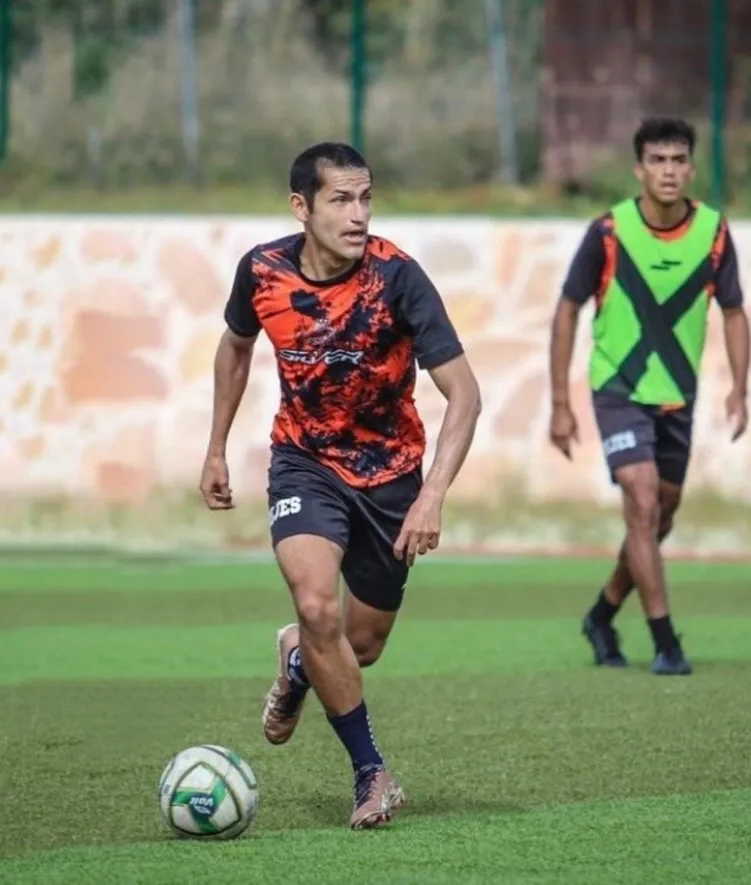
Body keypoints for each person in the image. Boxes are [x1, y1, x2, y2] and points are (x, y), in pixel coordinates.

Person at [199, 142, 481, 829]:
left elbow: (466, 395)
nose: (359, 215)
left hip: (391, 477)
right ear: (302, 207)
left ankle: (297, 662)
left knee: (362, 644)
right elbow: (235, 346)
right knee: (317, 604)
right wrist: (216, 447)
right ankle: (371, 772)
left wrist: (432, 494)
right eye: (341, 200)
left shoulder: (398, 278)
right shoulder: (261, 272)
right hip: (305, 462)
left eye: (366, 199)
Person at [548, 117, 751, 676]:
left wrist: (740, 388)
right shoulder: (608, 232)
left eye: (678, 160)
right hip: (617, 389)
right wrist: (560, 404)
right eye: (657, 160)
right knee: (641, 500)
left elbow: (734, 312)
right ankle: (667, 643)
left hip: (677, 396)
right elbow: (567, 310)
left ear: (692, 168)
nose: (668, 171)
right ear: (639, 169)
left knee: (659, 518)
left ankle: (602, 614)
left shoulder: (713, 232)